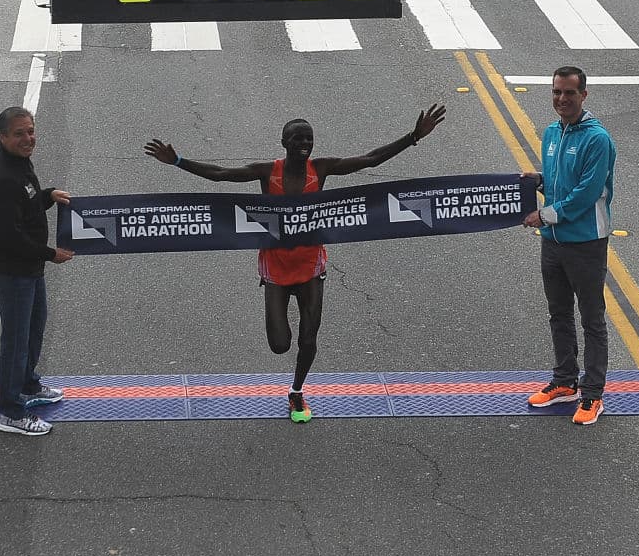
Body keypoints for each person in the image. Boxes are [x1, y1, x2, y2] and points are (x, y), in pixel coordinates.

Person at [144, 105, 446, 422]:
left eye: (309, 138)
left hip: (311, 267)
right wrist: (177, 161)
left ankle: (297, 391)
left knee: (308, 339)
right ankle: (290, 368)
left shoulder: (322, 168)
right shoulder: (267, 171)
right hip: (275, 268)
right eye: (298, 138)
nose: (305, 143)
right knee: (279, 344)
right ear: (285, 142)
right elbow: (222, 174)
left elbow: (369, 160)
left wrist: (413, 136)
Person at [521, 66, 615, 425]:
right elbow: (562, 183)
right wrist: (540, 180)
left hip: (586, 242)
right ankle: (564, 382)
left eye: (569, 93)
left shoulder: (597, 139)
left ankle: (593, 395)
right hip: (554, 242)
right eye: (557, 92)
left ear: (584, 96)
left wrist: (545, 215)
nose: (562, 99)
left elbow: (586, 194)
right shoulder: (551, 133)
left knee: (591, 319)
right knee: (558, 314)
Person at [0, 106, 74, 436]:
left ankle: (28, 386)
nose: (27, 138)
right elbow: (10, 236)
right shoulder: (4, 178)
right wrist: (51, 254)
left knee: (34, 329)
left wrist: (48, 196)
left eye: (30, 131)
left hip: (28, 269)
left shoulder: (18, 165)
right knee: (16, 342)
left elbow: (27, 205)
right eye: (19, 133)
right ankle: (10, 412)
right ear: (2, 137)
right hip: (13, 271)